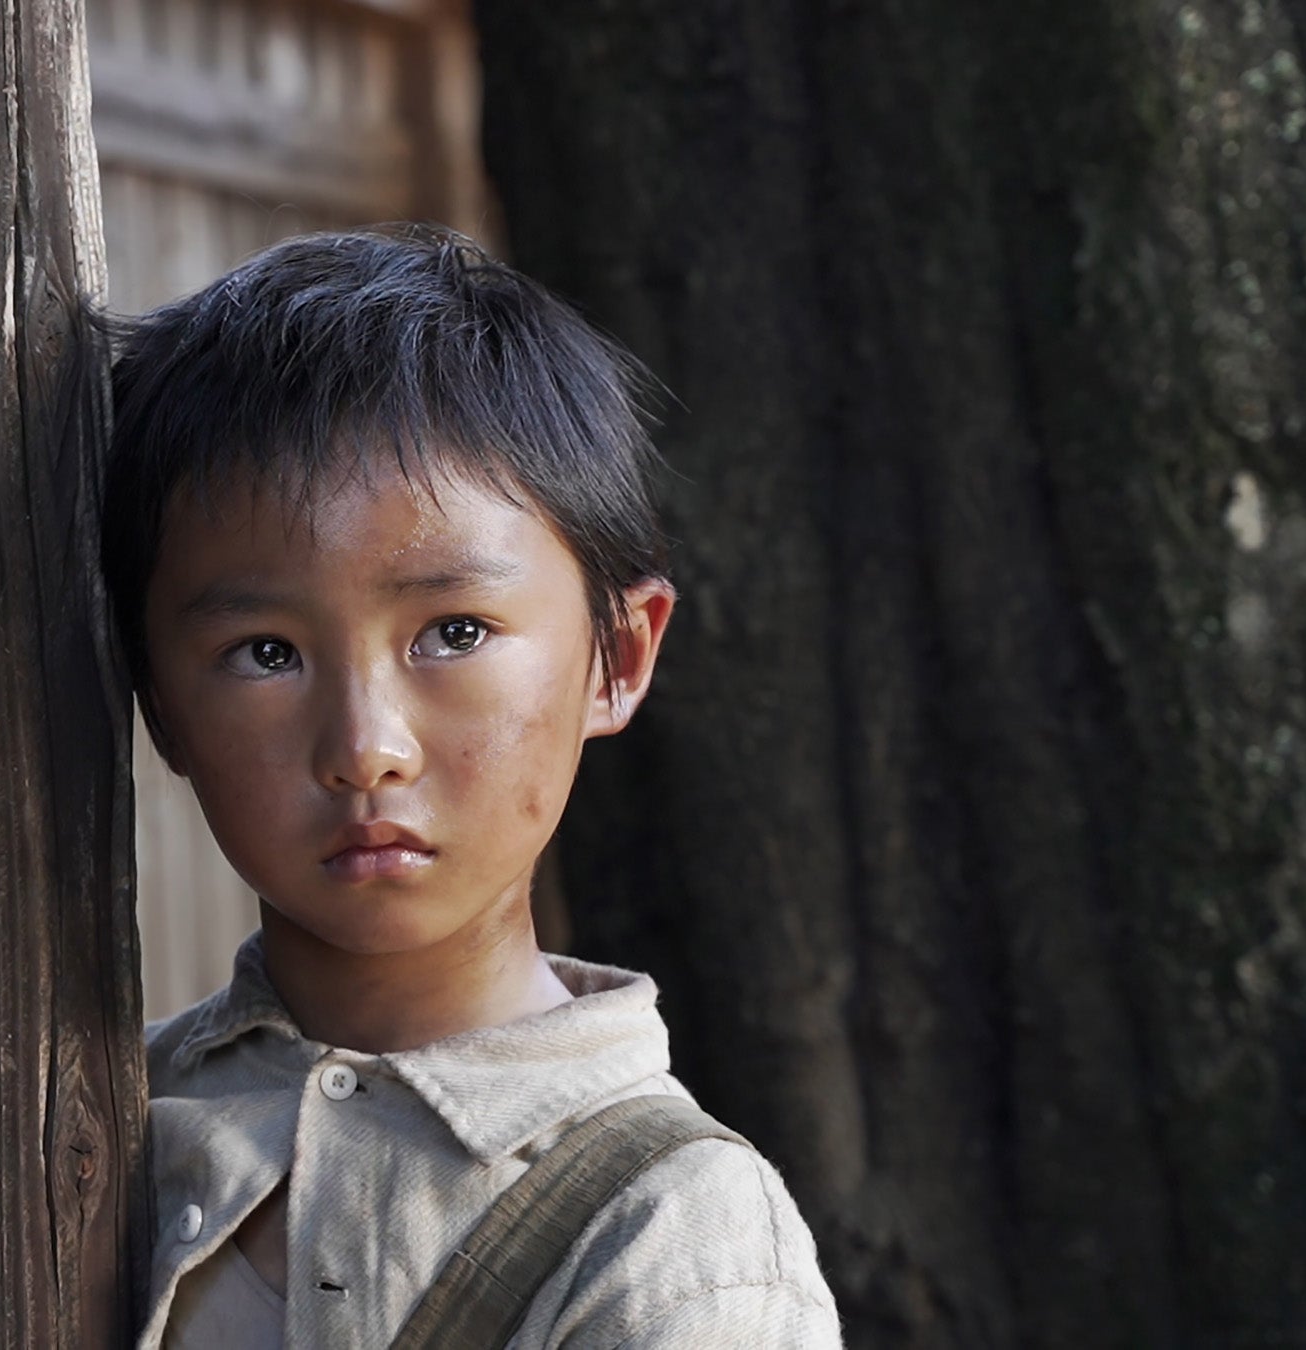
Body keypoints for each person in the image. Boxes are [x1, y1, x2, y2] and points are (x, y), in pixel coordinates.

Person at [103, 225, 840, 1348]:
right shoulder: (91, 1132)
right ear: (157, 703)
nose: (366, 747)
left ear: (619, 655)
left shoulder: (676, 1235)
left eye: (454, 632)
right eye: (264, 652)